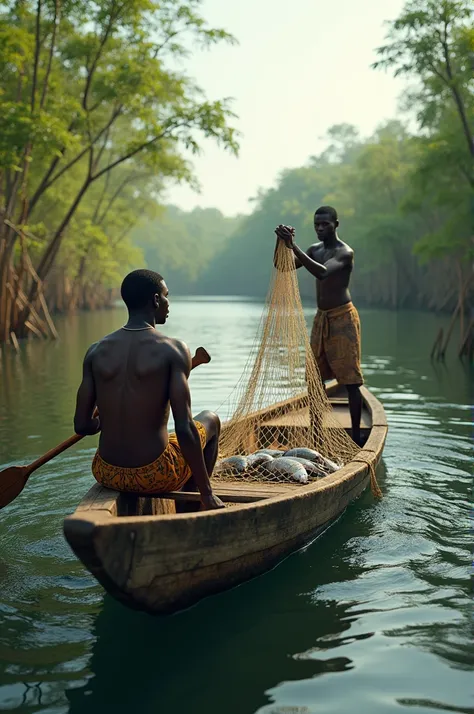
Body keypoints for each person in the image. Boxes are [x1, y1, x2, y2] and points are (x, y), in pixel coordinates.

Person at [73, 269, 225, 510]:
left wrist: (104, 419)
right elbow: (185, 428)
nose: (168, 303)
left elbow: (82, 425)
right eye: (166, 296)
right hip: (155, 473)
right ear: (155, 300)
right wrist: (208, 493)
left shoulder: (95, 351)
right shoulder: (173, 349)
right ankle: (195, 504)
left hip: (106, 472)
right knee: (210, 419)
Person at [274, 206, 364, 445]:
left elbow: (323, 273)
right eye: (317, 225)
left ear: (336, 224)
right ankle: (317, 435)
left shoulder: (344, 252)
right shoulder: (314, 250)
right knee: (314, 380)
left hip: (343, 318)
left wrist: (293, 246)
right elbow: (282, 266)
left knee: (351, 381)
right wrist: (281, 242)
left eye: (325, 224)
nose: (320, 229)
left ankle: (356, 440)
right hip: (321, 318)